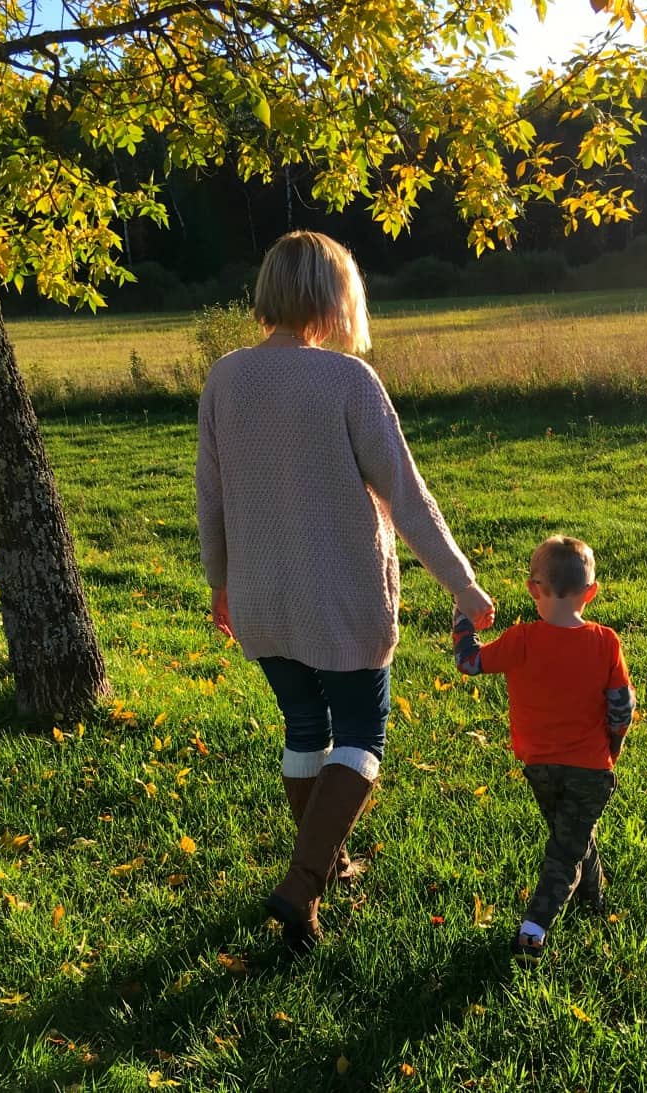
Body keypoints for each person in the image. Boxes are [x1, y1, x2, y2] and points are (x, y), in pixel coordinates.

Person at [196, 230, 494, 952]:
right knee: (362, 733)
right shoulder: (347, 380)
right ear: (337, 299)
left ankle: (323, 862)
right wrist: (463, 582)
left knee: (305, 729)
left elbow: (210, 496)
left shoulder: (224, 378)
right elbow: (407, 498)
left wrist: (220, 582)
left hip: (262, 593)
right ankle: (303, 882)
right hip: (342, 594)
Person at [452, 535, 635, 967]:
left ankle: (565, 911)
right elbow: (621, 708)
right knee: (567, 845)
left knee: (566, 841)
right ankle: (552, 919)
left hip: (539, 768)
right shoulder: (606, 642)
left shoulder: (521, 640)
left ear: (534, 589)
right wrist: (614, 748)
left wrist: (463, 618)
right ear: (591, 592)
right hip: (591, 769)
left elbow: (469, 662)